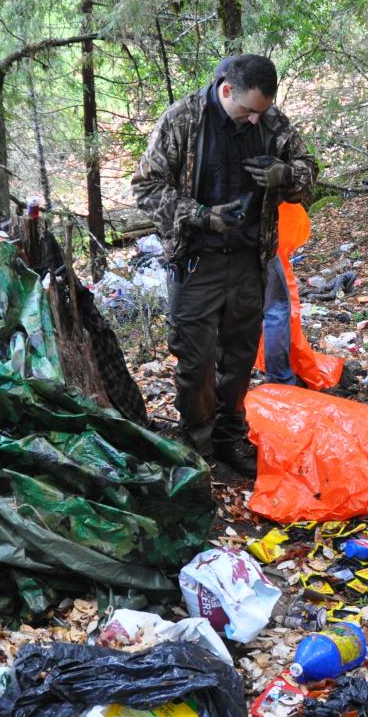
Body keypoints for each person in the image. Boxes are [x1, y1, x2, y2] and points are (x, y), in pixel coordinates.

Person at [132, 54, 318, 476]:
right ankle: (198, 448)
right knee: (196, 362)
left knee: (238, 358)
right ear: (226, 89)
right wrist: (200, 215)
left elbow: (310, 171)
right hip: (198, 263)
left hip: (251, 261)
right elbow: (146, 187)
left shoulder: (270, 123)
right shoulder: (184, 120)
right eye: (248, 110)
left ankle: (230, 439)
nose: (255, 120)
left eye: (262, 111)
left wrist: (285, 175)